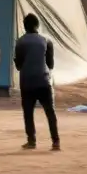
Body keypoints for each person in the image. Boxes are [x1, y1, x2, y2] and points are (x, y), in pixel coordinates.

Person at [14, 13, 60, 151]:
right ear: (37, 25)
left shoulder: (20, 42)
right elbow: (50, 64)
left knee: (28, 112)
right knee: (50, 112)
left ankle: (31, 140)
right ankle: (55, 141)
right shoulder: (46, 40)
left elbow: (18, 66)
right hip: (44, 81)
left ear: (25, 26)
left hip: (27, 82)